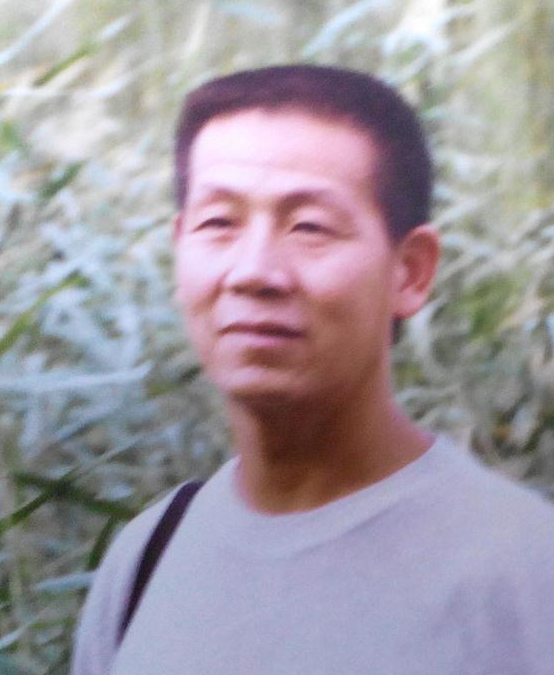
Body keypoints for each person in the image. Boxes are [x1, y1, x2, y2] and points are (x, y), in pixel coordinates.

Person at [71, 65, 554, 675]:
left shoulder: (524, 572)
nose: (254, 271)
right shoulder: (148, 560)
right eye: (219, 224)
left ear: (410, 271)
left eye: (309, 227)